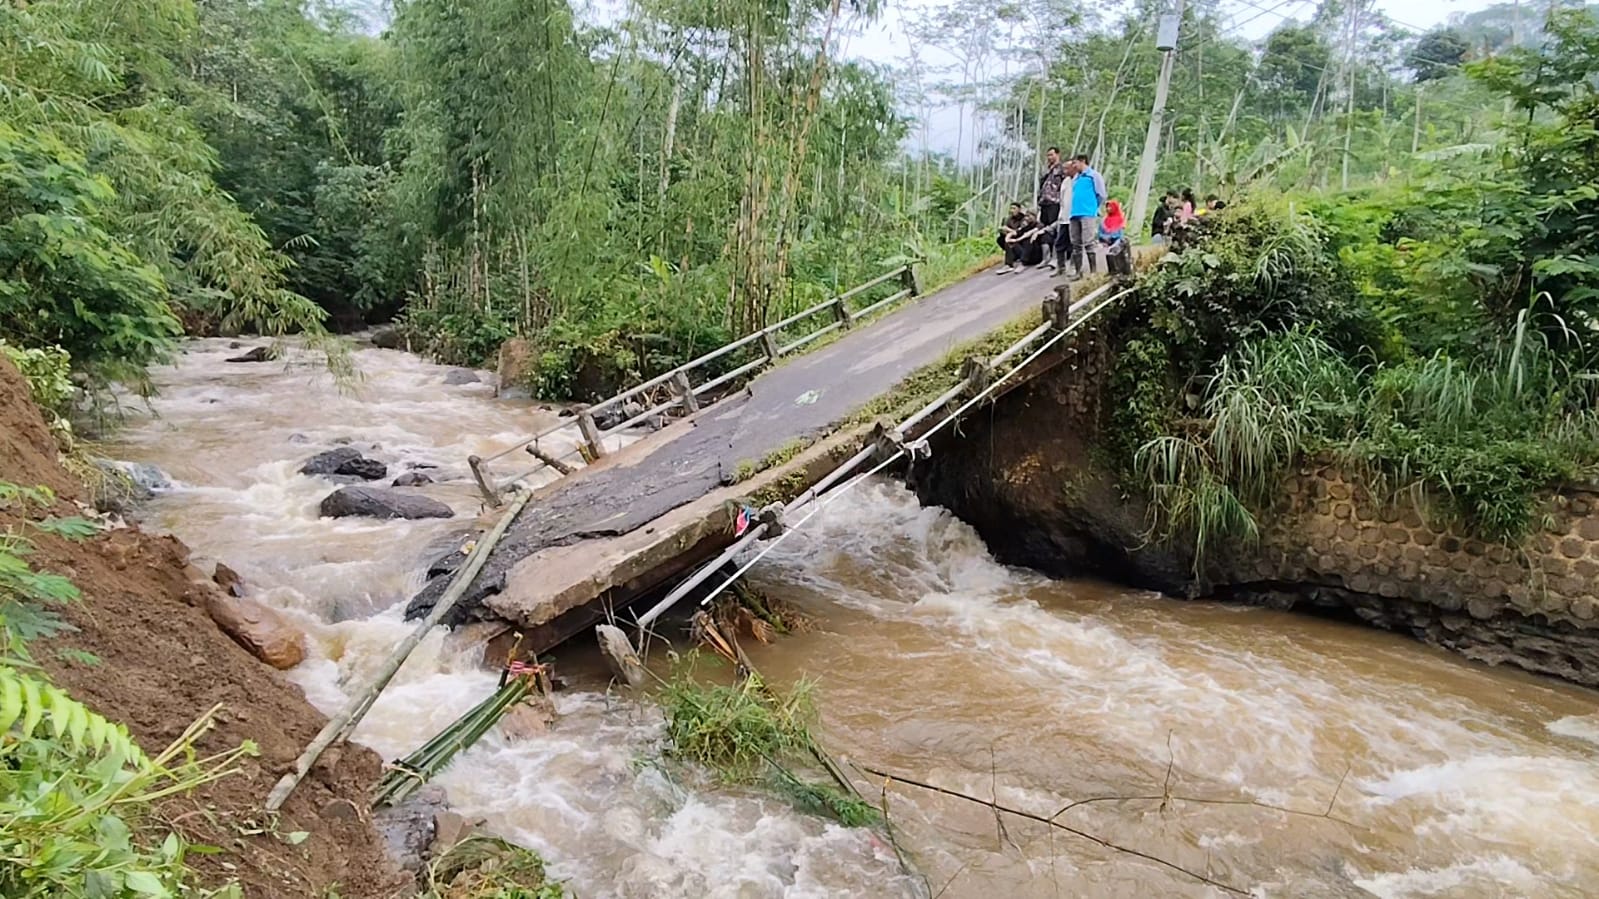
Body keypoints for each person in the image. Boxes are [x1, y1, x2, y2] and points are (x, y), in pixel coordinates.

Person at [1062, 153, 1106, 280]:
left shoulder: (1094, 175)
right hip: (1074, 213)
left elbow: (1101, 194)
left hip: (1087, 213)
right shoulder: (1076, 178)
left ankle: (1093, 272)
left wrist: (1094, 207)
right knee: (1075, 243)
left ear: (1082, 161)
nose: (1074, 166)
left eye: (1075, 163)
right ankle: (1078, 271)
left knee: (1088, 241)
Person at [1036, 147, 1068, 268]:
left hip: (1055, 202)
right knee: (1043, 229)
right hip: (1044, 203)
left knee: (1055, 229)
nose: (1049, 157)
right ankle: (1046, 257)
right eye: (1048, 155)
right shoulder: (1046, 170)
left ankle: (1056, 258)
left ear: (1057, 154)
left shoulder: (1062, 169)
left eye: (1051, 154)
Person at [996, 202, 1042, 274]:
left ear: (1034, 216)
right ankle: (1009, 265)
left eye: (1029, 216)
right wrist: (1008, 238)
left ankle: (1023, 263)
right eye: (1026, 216)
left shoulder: (1039, 225)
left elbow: (1028, 234)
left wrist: (1016, 240)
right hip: (1023, 250)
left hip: (1035, 254)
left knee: (1028, 239)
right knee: (1009, 242)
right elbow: (1016, 232)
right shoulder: (1023, 225)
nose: (1027, 218)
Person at [1100, 199, 1132, 279]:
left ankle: (1117, 271)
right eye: (1107, 207)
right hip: (1104, 241)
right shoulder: (1104, 220)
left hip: (1116, 240)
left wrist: (1112, 236)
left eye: (1110, 207)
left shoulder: (1120, 220)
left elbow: (1120, 234)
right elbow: (1100, 233)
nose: (1108, 209)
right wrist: (1105, 237)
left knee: (1115, 249)